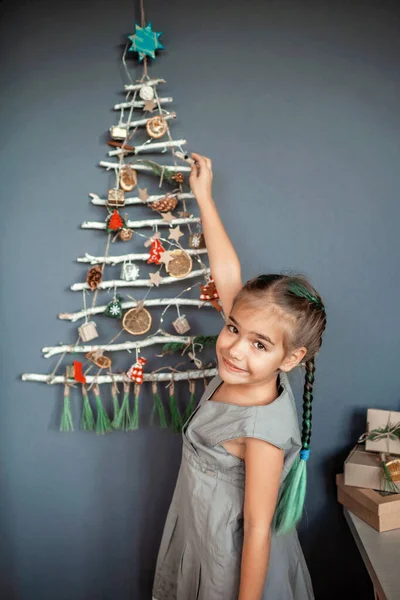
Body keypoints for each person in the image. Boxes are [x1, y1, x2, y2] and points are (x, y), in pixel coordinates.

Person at [152, 152, 327, 600]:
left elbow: (257, 533)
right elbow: (228, 275)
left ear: (291, 358)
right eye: (233, 327)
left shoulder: (261, 432)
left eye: (259, 344)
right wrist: (204, 197)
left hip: (229, 567)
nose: (233, 348)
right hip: (200, 533)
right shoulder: (252, 371)